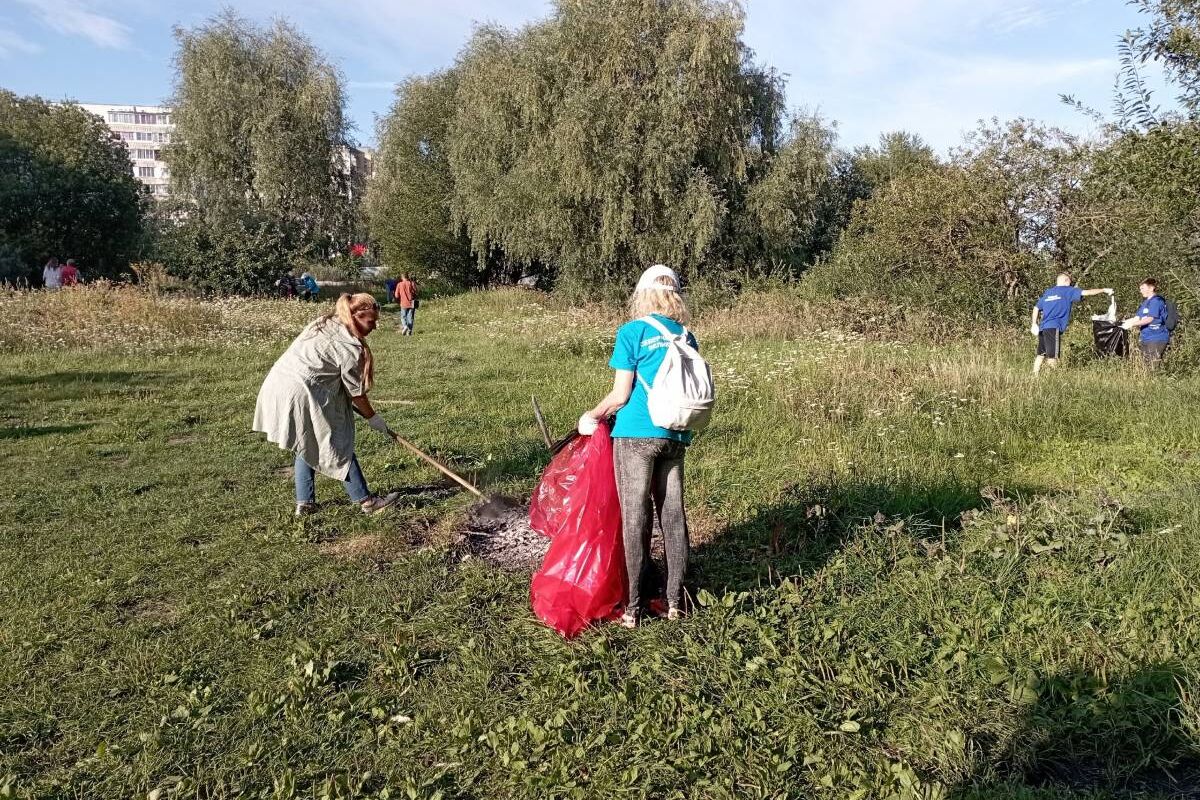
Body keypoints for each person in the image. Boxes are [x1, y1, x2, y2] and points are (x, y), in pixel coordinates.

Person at [579, 264, 697, 628]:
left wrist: (592, 415)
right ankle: (676, 601)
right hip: (675, 435)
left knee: (636, 517)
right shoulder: (686, 337)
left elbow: (621, 394)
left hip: (635, 435)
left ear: (642, 294)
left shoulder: (632, 332)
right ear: (675, 294)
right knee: (673, 517)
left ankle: (632, 608)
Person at [253, 293, 401, 516]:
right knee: (336, 441)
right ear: (357, 316)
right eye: (371, 321)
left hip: (277, 384)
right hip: (302, 392)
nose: (374, 327)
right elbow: (356, 394)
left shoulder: (323, 323)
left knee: (307, 439)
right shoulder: (351, 348)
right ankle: (367, 501)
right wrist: (373, 418)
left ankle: (305, 503)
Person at [1030, 272, 1111, 374]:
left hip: (1043, 328)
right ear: (1066, 281)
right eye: (1070, 282)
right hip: (1054, 327)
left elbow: (1036, 307)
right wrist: (1103, 290)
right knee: (1052, 355)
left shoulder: (1048, 292)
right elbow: (1087, 292)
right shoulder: (1067, 290)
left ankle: (1034, 377)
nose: (1071, 284)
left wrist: (1034, 323)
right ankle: (1053, 379)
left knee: (1041, 354)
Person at [1122, 277, 1171, 367]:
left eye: (1143, 288)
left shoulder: (1157, 301)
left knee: (1152, 367)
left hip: (1157, 338)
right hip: (1146, 337)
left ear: (1151, 288)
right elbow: (1137, 317)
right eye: (1140, 289)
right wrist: (1122, 323)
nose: (1141, 291)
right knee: (1145, 366)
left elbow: (1150, 319)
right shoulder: (1145, 303)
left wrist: (1132, 324)